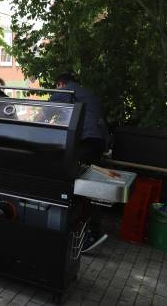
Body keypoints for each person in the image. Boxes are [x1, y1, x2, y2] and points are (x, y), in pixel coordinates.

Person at [50, 72, 109, 252]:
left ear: (60, 83)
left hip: (86, 142)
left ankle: (92, 232)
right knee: (86, 184)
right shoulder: (86, 93)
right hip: (99, 142)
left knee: (77, 184)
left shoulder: (66, 91)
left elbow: (46, 111)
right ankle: (86, 229)